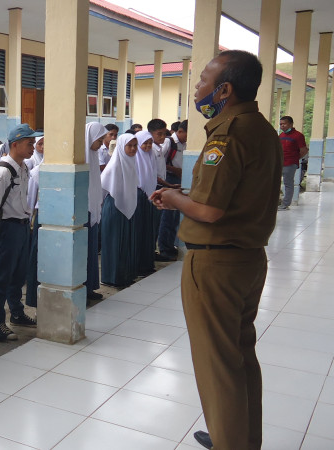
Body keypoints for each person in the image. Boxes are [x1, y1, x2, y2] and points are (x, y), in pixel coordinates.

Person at [151, 50, 281, 450]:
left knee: (217, 365)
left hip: (216, 263)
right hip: (248, 258)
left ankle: (229, 442)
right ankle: (240, 437)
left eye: (203, 81)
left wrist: (174, 199)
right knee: (240, 355)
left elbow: (209, 210)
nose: (197, 88)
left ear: (224, 90)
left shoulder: (227, 133)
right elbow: (230, 195)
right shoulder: (261, 128)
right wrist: (183, 194)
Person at [0, 124, 40, 340]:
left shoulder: (23, 167)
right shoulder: (3, 171)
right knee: (2, 276)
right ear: (15, 144)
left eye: (33, 143)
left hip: (22, 226)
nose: (33, 147)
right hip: (7, 227)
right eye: (29, 143)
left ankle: (16, 312)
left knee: (18, 273)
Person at [100, 133, 139, 287]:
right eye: (129, 146)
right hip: (114, 207)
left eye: (135, 146)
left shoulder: (131, 163)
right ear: (122, 147)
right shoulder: (114, 165)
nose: (133, 149)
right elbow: (104, 187)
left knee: (125, 242)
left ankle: (124, 275)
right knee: (114, 242)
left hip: (126, 205)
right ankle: (112, 277)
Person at [156, 120, 187, 261]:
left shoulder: (184, 144)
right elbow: (159, 162)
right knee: (167, 216)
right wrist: (174, 170)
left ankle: (170, 245)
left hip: (178, 179)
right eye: (187, 134)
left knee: (174, 216)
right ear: (180, 131)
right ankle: (164, 248)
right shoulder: (169, 142)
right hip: (169, 178)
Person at [84, 123, 108, 301]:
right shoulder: (82, 158)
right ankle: (82, 289)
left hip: (92, 209)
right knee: (83, 252)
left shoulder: (92, 156)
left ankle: (90, 287)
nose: (100, 144)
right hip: (83, 210)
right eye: (99, 140)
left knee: (91, 251)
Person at [133, 130, 158, 276]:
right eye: (145, 143)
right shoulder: (135, 156)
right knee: (139, 231)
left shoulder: (151, 155)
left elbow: (153, 175)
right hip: (137, 196)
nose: (148, 146)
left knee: (148, 231)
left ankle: (146, 264)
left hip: (149, 196)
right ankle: (137, 265)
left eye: (150, 143)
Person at [278, 115, 307, 210]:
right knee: (275, 182)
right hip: (280, 163)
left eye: (284, 124)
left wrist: (295, 158)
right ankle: (277, 201)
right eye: (280, 124)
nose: (282, 126)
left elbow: (304, 150)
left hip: (290, 164)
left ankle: (285, 204)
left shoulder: (298, 136)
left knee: (288, 183)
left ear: (291, 124)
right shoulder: (281, 136)